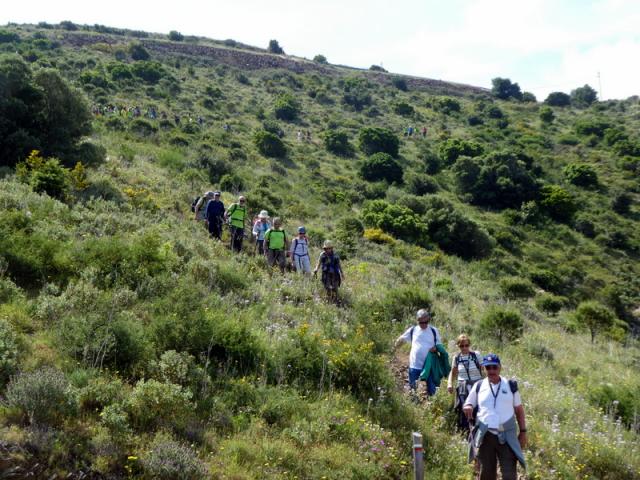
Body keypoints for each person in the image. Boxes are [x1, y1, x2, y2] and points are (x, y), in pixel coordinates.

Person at [463, 354, 527, 480]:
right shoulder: (479, 385)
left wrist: (523, 432)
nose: (491, 371)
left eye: (494, 367)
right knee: (487, 473)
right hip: (486, 436)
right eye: (488, 368)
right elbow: (469, 402)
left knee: (509, 475)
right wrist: (468, 406)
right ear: (484, 369)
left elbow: (519, 410)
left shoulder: (510, 385)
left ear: (500, 368)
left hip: (507, 436)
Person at [394, 309, 442, 398]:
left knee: (432, 389)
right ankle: (414, 405)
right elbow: (402, 339)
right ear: (417, 321)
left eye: (426, 322)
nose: (424, 324)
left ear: (428, 320)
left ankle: (433, 406)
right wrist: (394, 348)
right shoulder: (413, 330)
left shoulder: (433, 331)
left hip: (429, 365)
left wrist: (436, 349)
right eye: (421, 322)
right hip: (414, 365)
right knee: (413, 389)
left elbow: (439, 345)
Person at [447, 334, 484, 432]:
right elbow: (453, 372)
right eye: (461, 346)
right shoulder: (457, 357)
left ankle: (478, 430)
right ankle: (465, 431)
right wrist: (449, 383)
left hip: (476, 385)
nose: (464, 348)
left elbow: (484, 370)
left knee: (477, 408)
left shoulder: (476, 355)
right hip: (463, 387)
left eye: (466, 345)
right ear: (458, 346)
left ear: (469, 345)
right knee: (463, 409)